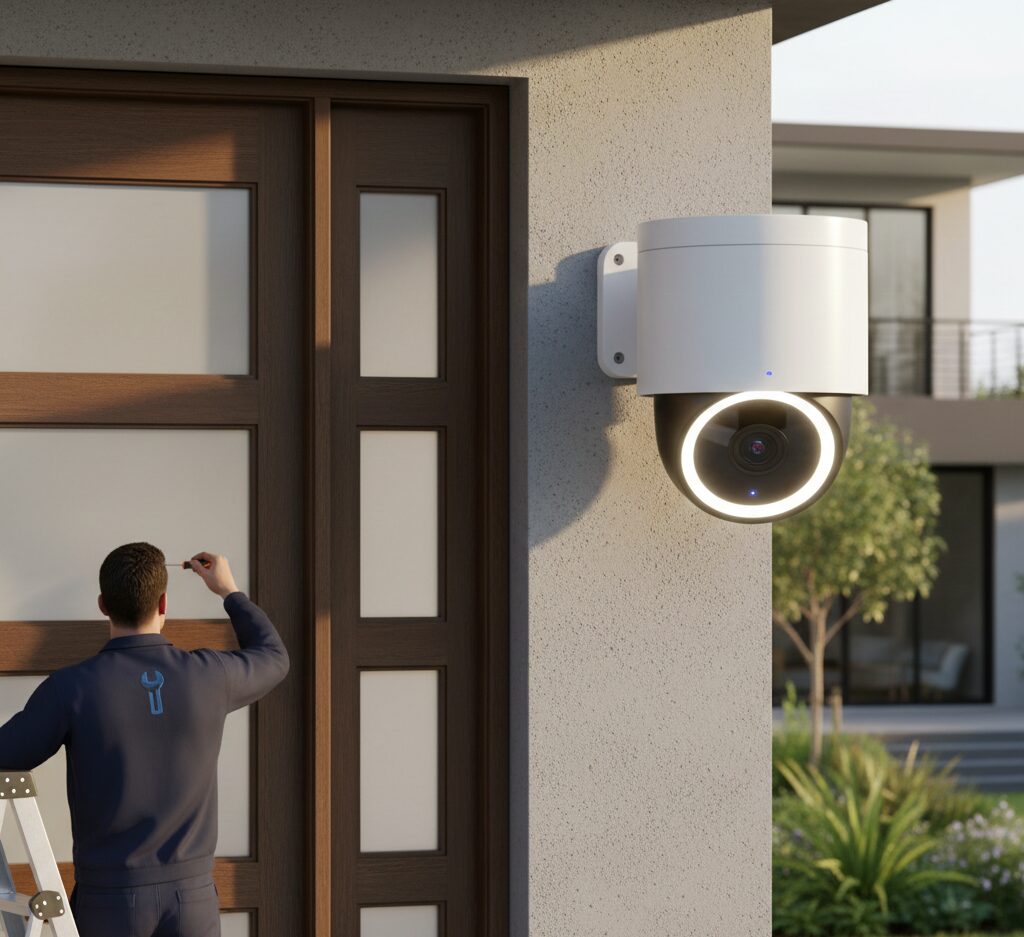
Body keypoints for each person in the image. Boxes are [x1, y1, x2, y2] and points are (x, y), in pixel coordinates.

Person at [0, 542, 289, 937]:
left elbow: (7, 751)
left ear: (103, 604)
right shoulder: (210, 676)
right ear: (164, 603)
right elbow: (274, 657)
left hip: (110, 903)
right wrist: (229, 592)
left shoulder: (71, 689)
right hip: (193, 903)